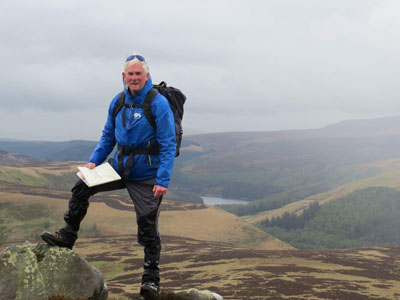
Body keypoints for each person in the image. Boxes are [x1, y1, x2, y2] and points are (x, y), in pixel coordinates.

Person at [41, 53, 177, 300]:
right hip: (120, 166)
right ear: (123, 76)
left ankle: (151, 279)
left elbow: (168, 144)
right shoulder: (118, 101)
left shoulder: (158, 103)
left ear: (146, 75)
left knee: (147, 225)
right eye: (130, 74)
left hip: (147, 174)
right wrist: (94, 161)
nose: (134, 78)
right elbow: (108, 135)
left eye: (138, 74)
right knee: (82, 185)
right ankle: (68, 235)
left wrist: (162, 179)